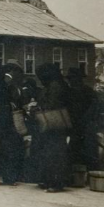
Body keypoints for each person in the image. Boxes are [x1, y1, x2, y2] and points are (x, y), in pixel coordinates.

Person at [32, 64, 71, 193]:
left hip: (53, 123)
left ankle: (54, 182)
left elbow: (51, 104)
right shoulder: (57, 85)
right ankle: (51, 180)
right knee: (53, 153)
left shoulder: (54, 86)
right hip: (55, 124)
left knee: (53, 154)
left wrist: (37, 108)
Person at [65, 68, 99, 170]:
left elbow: (94, 109)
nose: (71, 81)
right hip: (75, 128)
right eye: (70, 79)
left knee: (89, 153)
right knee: (73, 154)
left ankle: (91, 173)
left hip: (86, 127)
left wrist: (84, 121)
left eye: (73, 78)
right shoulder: (69, 93)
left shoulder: (89, 92)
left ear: (79, 79)